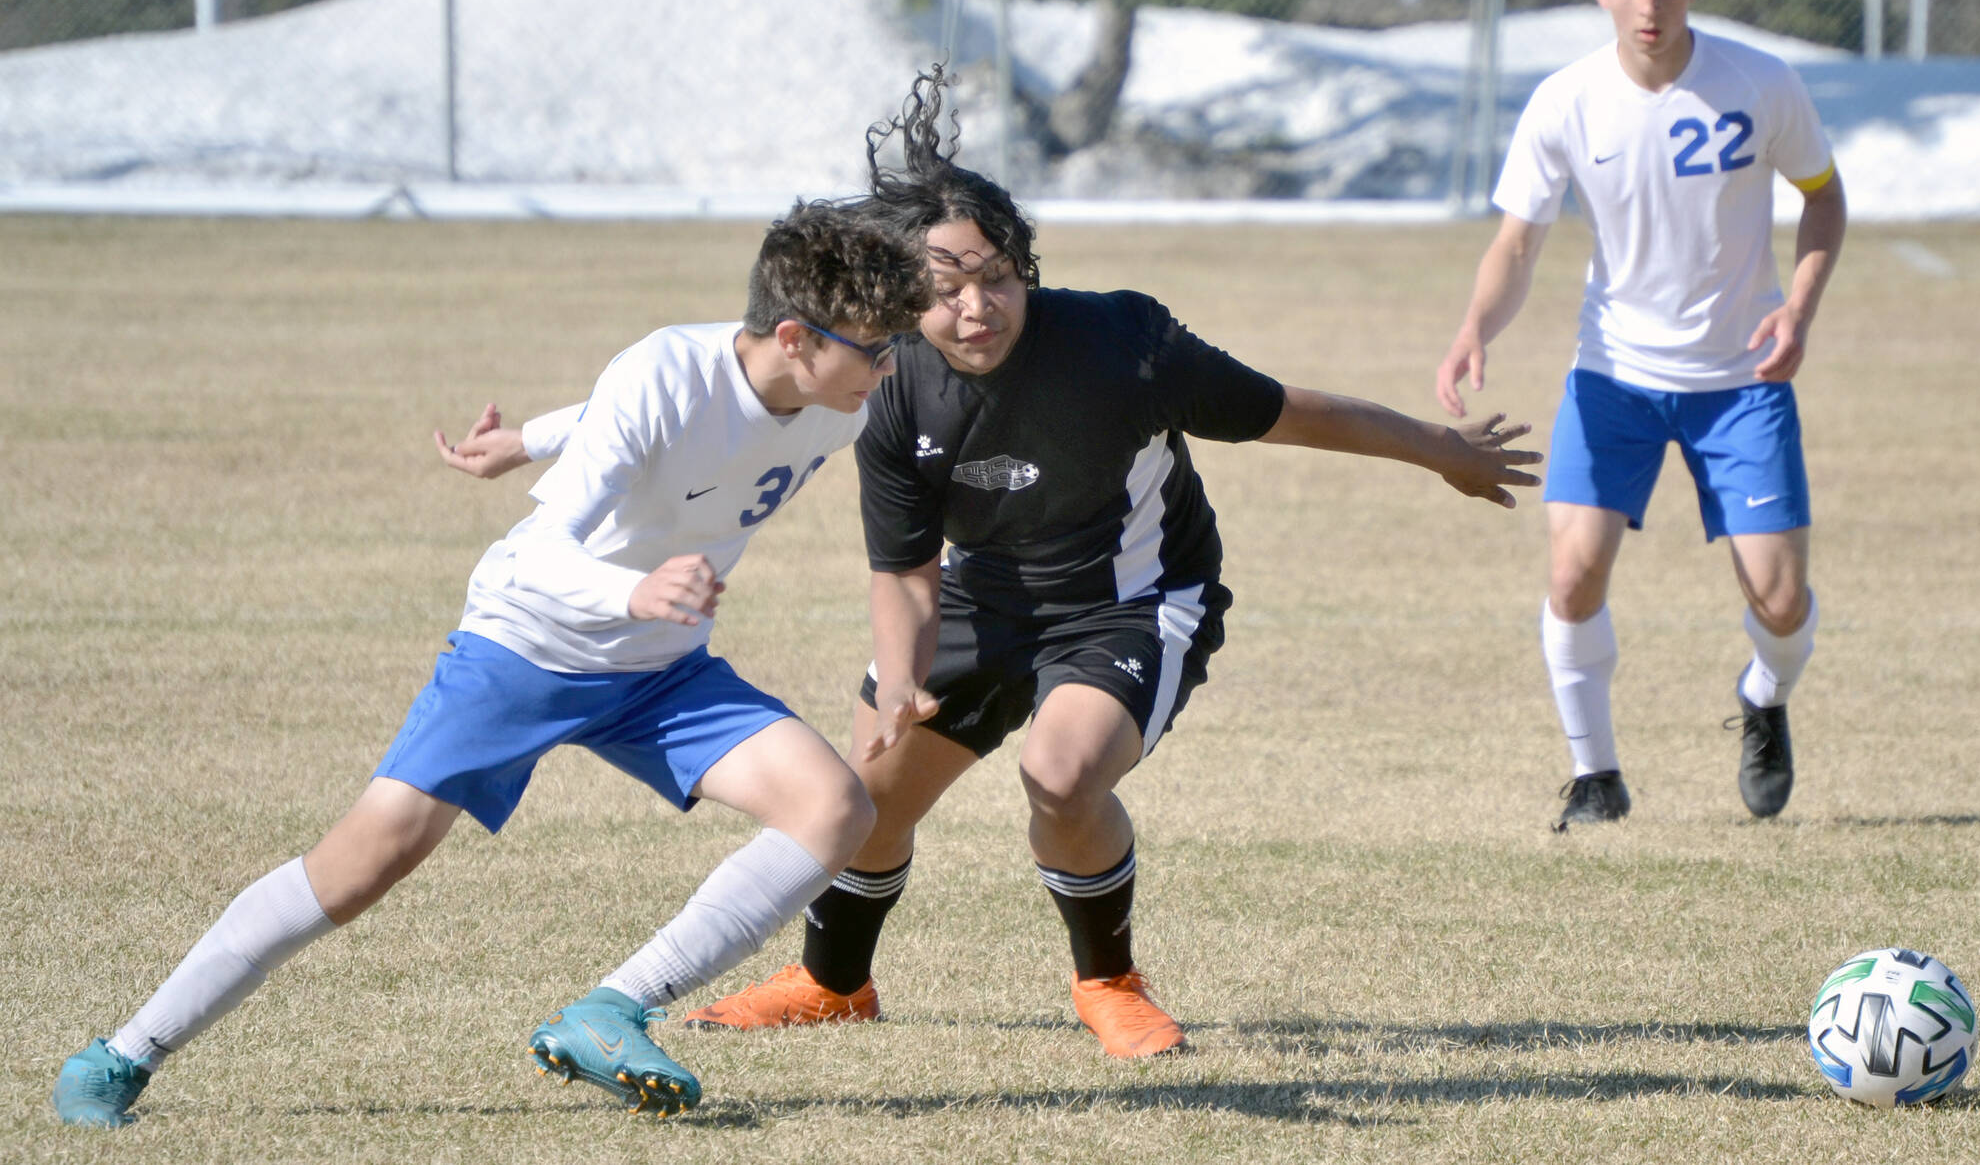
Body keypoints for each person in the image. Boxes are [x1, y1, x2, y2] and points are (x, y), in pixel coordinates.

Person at [484, 69, 1543, 1058]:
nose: (974, 308)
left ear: (1025, 270)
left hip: (1131, 600)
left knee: (1061, 770)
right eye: (943, 291)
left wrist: (1437, 449)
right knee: (870, 788)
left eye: (995, 279)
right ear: (901, 299)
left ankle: (1107, 980)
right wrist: (896, 676)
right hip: (980, 597)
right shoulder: (887, 386)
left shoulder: (1121, 346)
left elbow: (1285, 411)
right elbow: (897, 564)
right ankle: (834, 983)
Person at [51, 201, 932, 1128]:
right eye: (876, 349)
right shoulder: (665, 369)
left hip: (660, 667)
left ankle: (612, 1010)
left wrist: (531, 439)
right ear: (795, 337)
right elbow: (544, 550)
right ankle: (120, 1055)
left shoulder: (835, 400)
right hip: (528, 643)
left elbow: (622, 422)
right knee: (364, 864)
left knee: (836, 808)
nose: (888, 369)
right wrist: (628, 593)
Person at [1434, 0, 1847, 832]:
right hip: (1613, 373)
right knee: (1573, 573)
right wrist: (1474, 327)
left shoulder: (1762, 82)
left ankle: (1765, 699)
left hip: (1743, 380)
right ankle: (1597, 777)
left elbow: (1824, 199)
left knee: (1780, 603)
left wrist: (1800, 308)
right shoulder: (1566, 101)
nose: (1650, 5)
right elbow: (1517, 244)